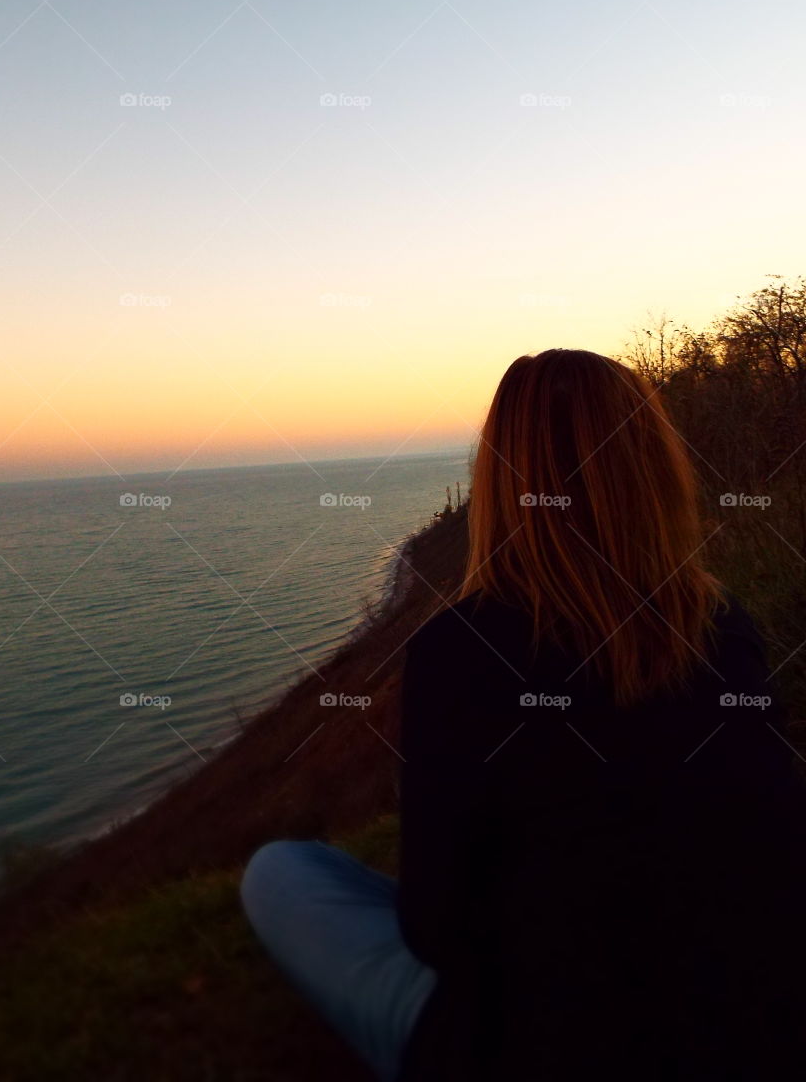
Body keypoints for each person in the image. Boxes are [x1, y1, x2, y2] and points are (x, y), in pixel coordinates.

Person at [239, 348, 806, 1080]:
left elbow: (438, 933)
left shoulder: (461, 648)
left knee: (282, 871)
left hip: (531, 1043)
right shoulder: (724, 625)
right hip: (744, 1020)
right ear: (655, 470)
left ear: (502, 479)